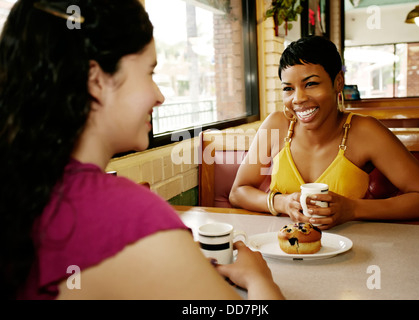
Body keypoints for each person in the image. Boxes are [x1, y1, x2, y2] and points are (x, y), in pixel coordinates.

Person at [0, 0, 284, 300]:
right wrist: (259, 280)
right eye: (150, 72)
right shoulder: (130, 217)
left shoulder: (24, 188)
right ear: (96, 79)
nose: (159, 96)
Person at [229, 36, 419, 229]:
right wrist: (282, 203)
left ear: (338, 83)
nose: (298, 99)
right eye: (288, 88)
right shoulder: (276, 125)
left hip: (353, 254)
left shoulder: (365, 132)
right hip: (285, 250)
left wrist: (352, 209)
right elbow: (238, 192)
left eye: (311, 84)